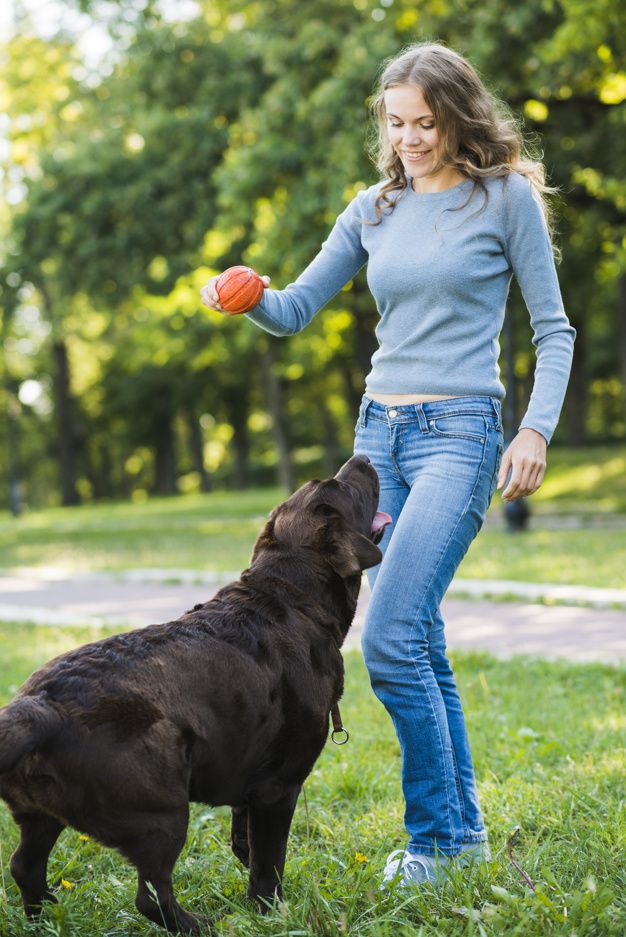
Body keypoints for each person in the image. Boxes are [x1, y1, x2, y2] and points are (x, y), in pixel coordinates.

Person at [200, 41, 575, 888]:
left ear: (458, 116)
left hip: (462, 434)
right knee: (422, 636)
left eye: (425, 123)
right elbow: (295, 309)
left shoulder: (503, 198)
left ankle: (438, 843)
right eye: (396, 123)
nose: (409, 139)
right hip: (380, 442)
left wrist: (536, 431)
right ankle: (462, 832)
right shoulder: (373, 209)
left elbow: (554, 330)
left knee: (396, 636)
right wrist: (250, 295)